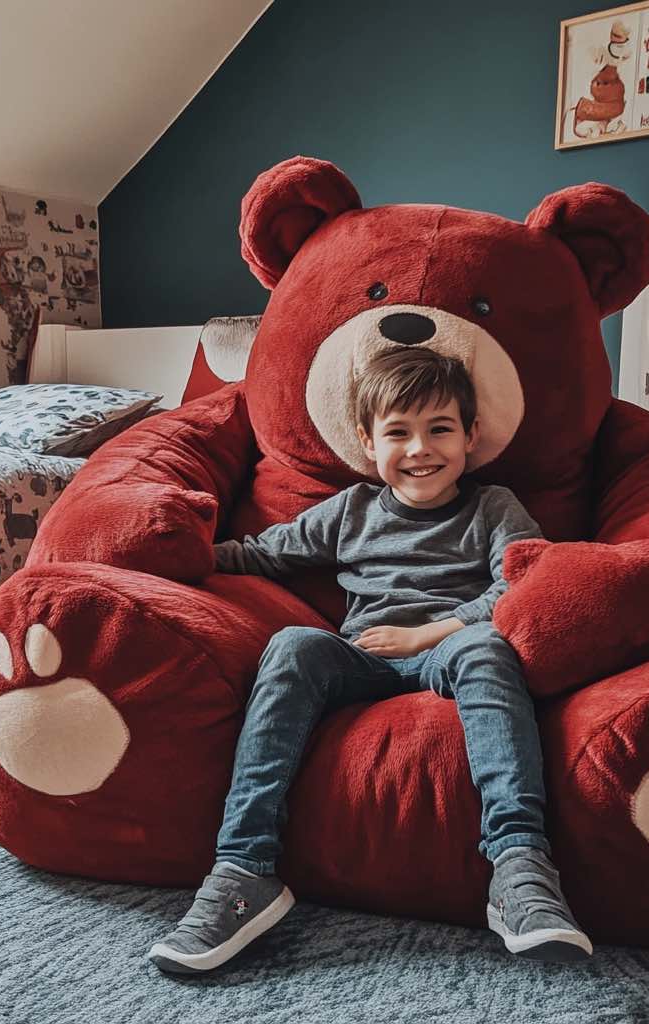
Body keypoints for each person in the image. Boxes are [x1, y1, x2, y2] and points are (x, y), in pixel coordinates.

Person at [147, 346, 593, 974]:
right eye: (398, 433)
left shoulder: (494, 507)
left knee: (488, 648)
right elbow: (261, 553)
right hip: (358, 657)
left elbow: (522, 580)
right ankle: (242, 870)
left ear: (469, 436)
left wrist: (430, 633)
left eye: (440, 429)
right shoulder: (352, 509)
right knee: (292, 645)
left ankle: (519, 868)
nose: (420, 450)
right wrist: (174, 548)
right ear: (367, 441)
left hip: (448, 648)